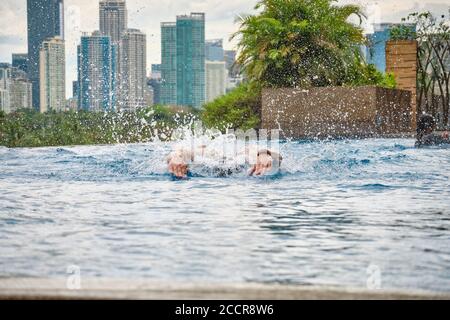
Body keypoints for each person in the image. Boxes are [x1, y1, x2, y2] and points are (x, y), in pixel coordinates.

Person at [167, 144, 283, 178]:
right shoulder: (205, 154)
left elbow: (278, 157)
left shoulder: (246, 154)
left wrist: (264, 154)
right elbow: (180, 151)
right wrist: (176, 157)